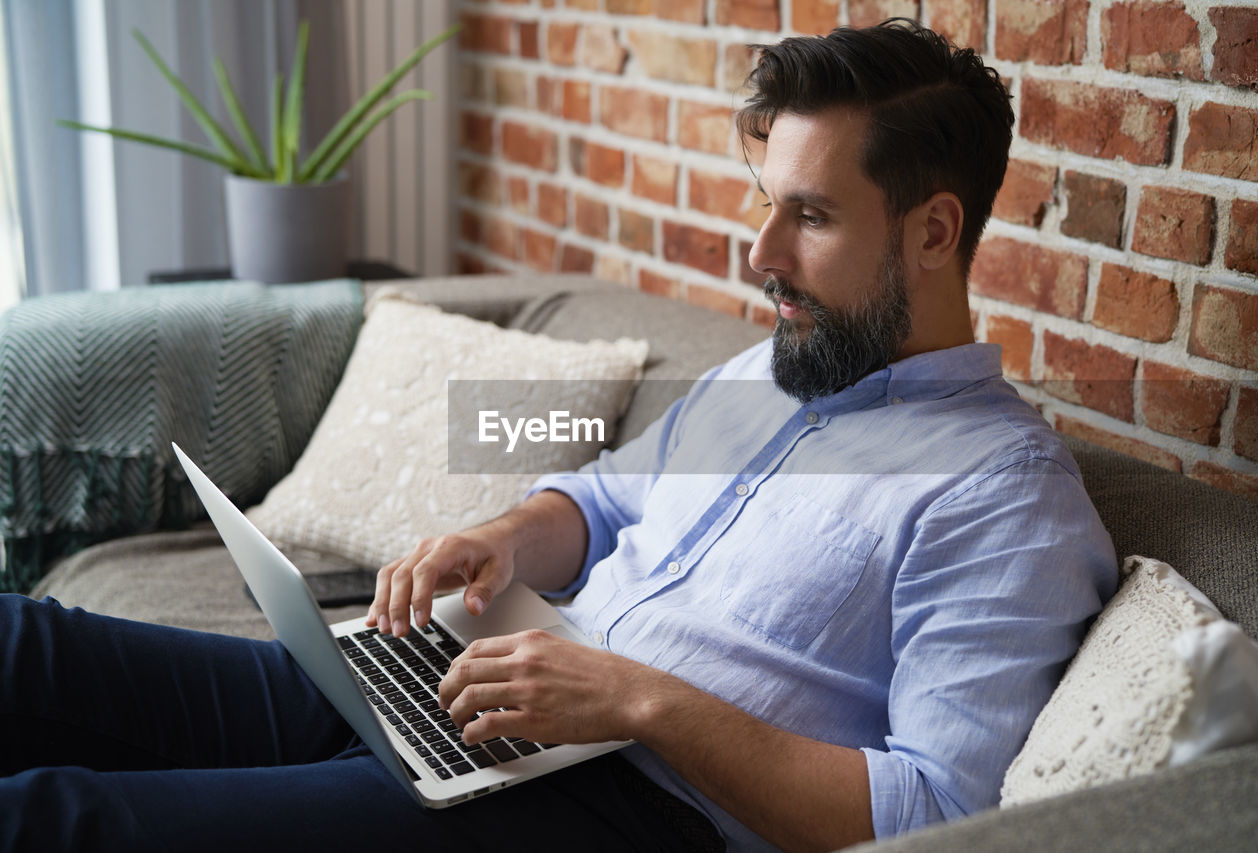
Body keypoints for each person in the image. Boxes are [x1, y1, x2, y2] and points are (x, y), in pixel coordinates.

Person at [1, 19, 1116, 853]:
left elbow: (941, 811)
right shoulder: (767, 369)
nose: (758, 252)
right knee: (28, 649)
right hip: (472, 686)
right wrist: (502, 535)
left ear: (932, 231)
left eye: (810, 217)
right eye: (763, 201)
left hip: (613, 807)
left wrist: (636, 699)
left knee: (63, 819)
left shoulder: (1002, 497)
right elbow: (604, 503)